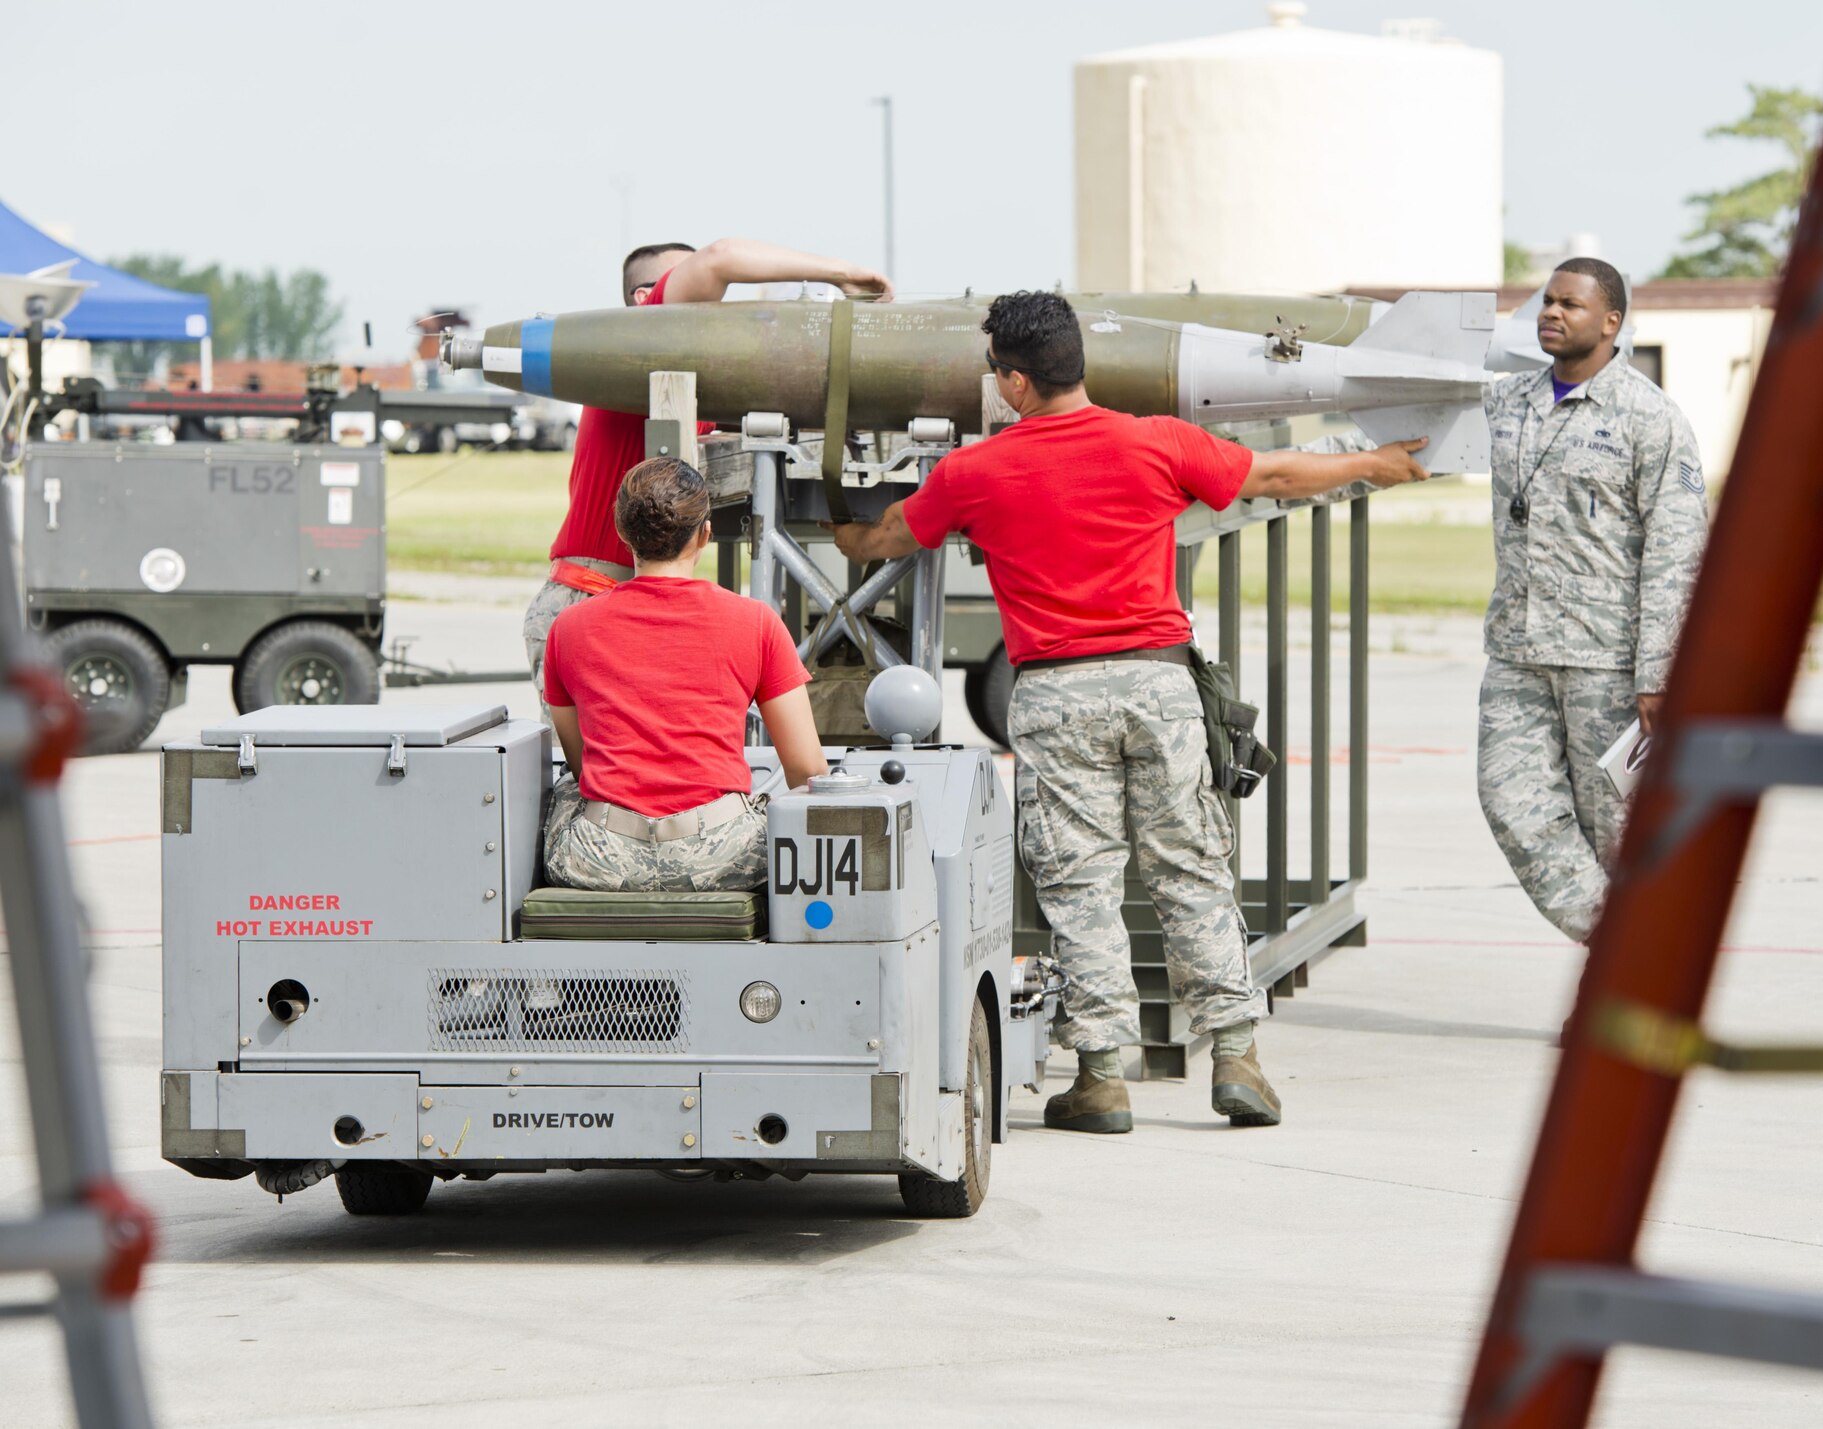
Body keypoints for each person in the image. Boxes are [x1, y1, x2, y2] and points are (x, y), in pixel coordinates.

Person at [828, 291, 1433, 1133]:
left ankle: (1103, 1076)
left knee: (1081, 883)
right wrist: (1377, 464)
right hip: (1159, 686)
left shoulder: (975, 472)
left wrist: (843, 533)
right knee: (1191, 869)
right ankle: (1235, 1056)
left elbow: (893, 534)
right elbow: (1275, 474)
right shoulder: (1155, 441)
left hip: (1055, 692)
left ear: (1012, 379)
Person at [523, 238, 894, 719]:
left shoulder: (669, 383)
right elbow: (720, 258)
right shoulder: (638, 338)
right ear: (645, 299)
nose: (708, 300)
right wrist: (841, 273)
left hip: (623, 604)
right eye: (683, 279)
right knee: (598, 783)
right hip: (590, 600)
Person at [1478, 257, 1708, 942]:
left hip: (1607, 665)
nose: (1551, 313)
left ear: (1611, 323)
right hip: (1518, 655)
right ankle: (1626, 948)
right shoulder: (1506, 401)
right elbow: (1410, 444)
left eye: (1570, 305)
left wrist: (1658, 674)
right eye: (1547, 301)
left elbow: (1677, 553)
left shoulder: (1651, 419)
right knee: (1511, 802)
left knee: (1616, 835)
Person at [541, 456, 828, 892]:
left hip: (602, 860)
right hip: (721, 858)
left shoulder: (568, 628)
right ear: (705, 534)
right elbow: (807, 770)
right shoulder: (756, 622)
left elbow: (582, 767)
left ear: (622, 533)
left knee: (565, 789)